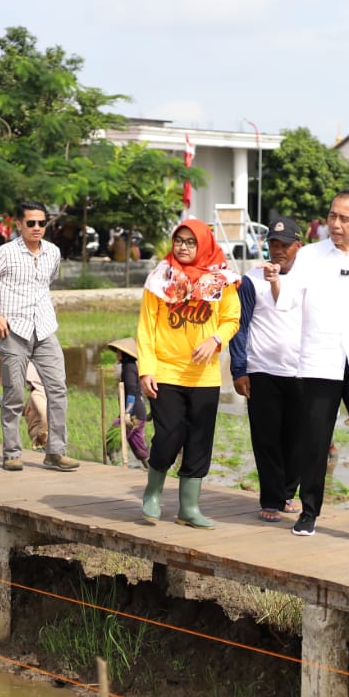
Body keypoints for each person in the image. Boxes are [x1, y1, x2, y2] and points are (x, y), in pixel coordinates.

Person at [264, 190, 349, 548]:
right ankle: (309, 513)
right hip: (320, 360)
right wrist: (276, 281)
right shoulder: (309, 255)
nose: (336, 224)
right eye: (332, 217)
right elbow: (290, 300)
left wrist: (348, 334)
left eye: (344, 219)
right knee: (315, 441)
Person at [137, 219, 240, 529]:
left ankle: (189, 508)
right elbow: (146, 327)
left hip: (205, 377)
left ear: (203, 244)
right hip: (167, 372)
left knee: (199, 440)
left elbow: (231, 319)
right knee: (168, 437)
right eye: (179, 240)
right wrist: (146, 370)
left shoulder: (220, 280)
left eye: (190, 242)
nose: (182, 246)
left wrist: (215, 339)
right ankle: (153, 494)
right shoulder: (160, 279)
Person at [0, 200, 79, 473]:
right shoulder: (5, 253)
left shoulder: (53, 252)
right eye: (30, 223)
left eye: (41, 223)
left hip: (44, 328)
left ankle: (55, 451)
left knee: (57, 390)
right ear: (18, 224)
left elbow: (47, 282)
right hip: (13, 330)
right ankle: (11, 453)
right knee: (14, 394)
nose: (36, 228)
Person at [229, 216, 305, 523]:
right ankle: (272, 497)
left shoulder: (308, 278)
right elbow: (239, 325)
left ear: (299, 246)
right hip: (262, 370)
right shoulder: (251, 279)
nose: (279, 250)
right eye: (274, 244)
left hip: (302, 371)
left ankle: (289, 491)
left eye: (285, 244)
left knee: (300, 438)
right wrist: (238, 369)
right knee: (266, 438)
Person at [107, 337, 150, 467]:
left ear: (125, 354)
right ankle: (149, 469)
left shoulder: (129, 368)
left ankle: (151, 470)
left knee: (113, 440)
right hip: (134, 412)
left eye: (119, 352)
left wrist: (127, 413)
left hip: (133, 414)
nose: (117, 354)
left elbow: (131, 391)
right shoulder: (128, 367)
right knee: (136, 445)